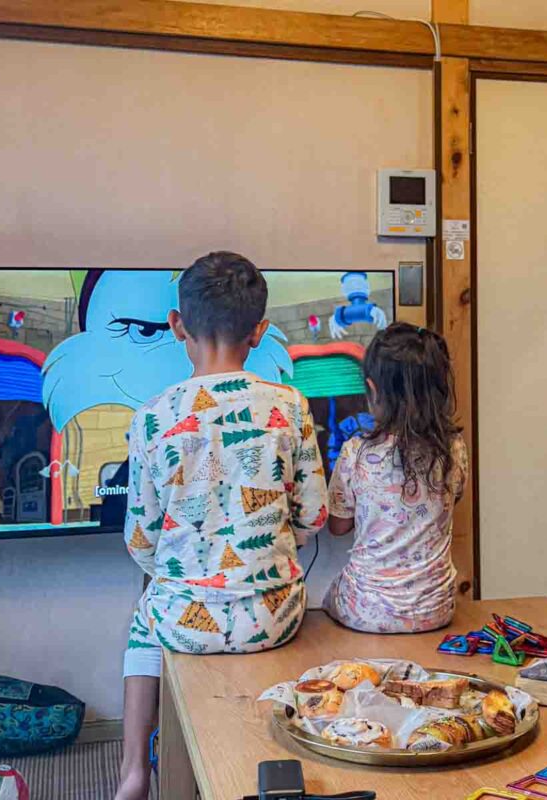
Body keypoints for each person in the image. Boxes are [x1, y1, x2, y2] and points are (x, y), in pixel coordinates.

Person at [114, 253, 327, 800]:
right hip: (274, 615)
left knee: (144, 620)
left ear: (177, 324)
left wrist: (179, 569)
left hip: (185, 622)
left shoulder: (154, 416)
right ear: (259, 332)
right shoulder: (290, 404)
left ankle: (134, 771)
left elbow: (140, 538)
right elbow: (314, 516)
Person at [323, 322, 468, 634]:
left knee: (328, 596)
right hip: (437, 609)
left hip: (367, 611)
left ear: (372, 390)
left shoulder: (355, 451)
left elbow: (338, 527)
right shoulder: (454, 448)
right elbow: (452, 498)